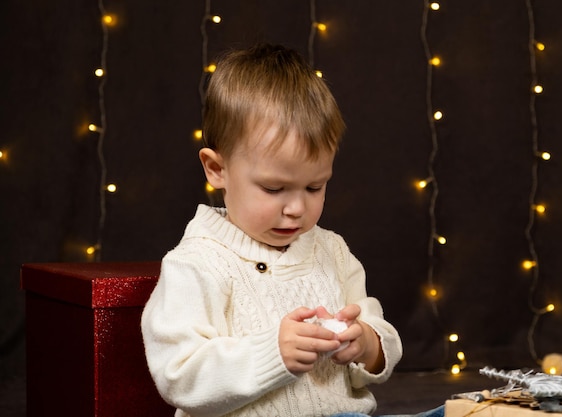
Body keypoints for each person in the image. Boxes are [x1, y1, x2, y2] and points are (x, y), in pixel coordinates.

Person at [141, 43, 439, 417]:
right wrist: (272, 353)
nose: (297, 208)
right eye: (273, 189)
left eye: (315, 187)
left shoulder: (331, 251)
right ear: (217, 169)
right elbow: (178, 375)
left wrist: (367, 344)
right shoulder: (197, 264)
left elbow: (378, 338)